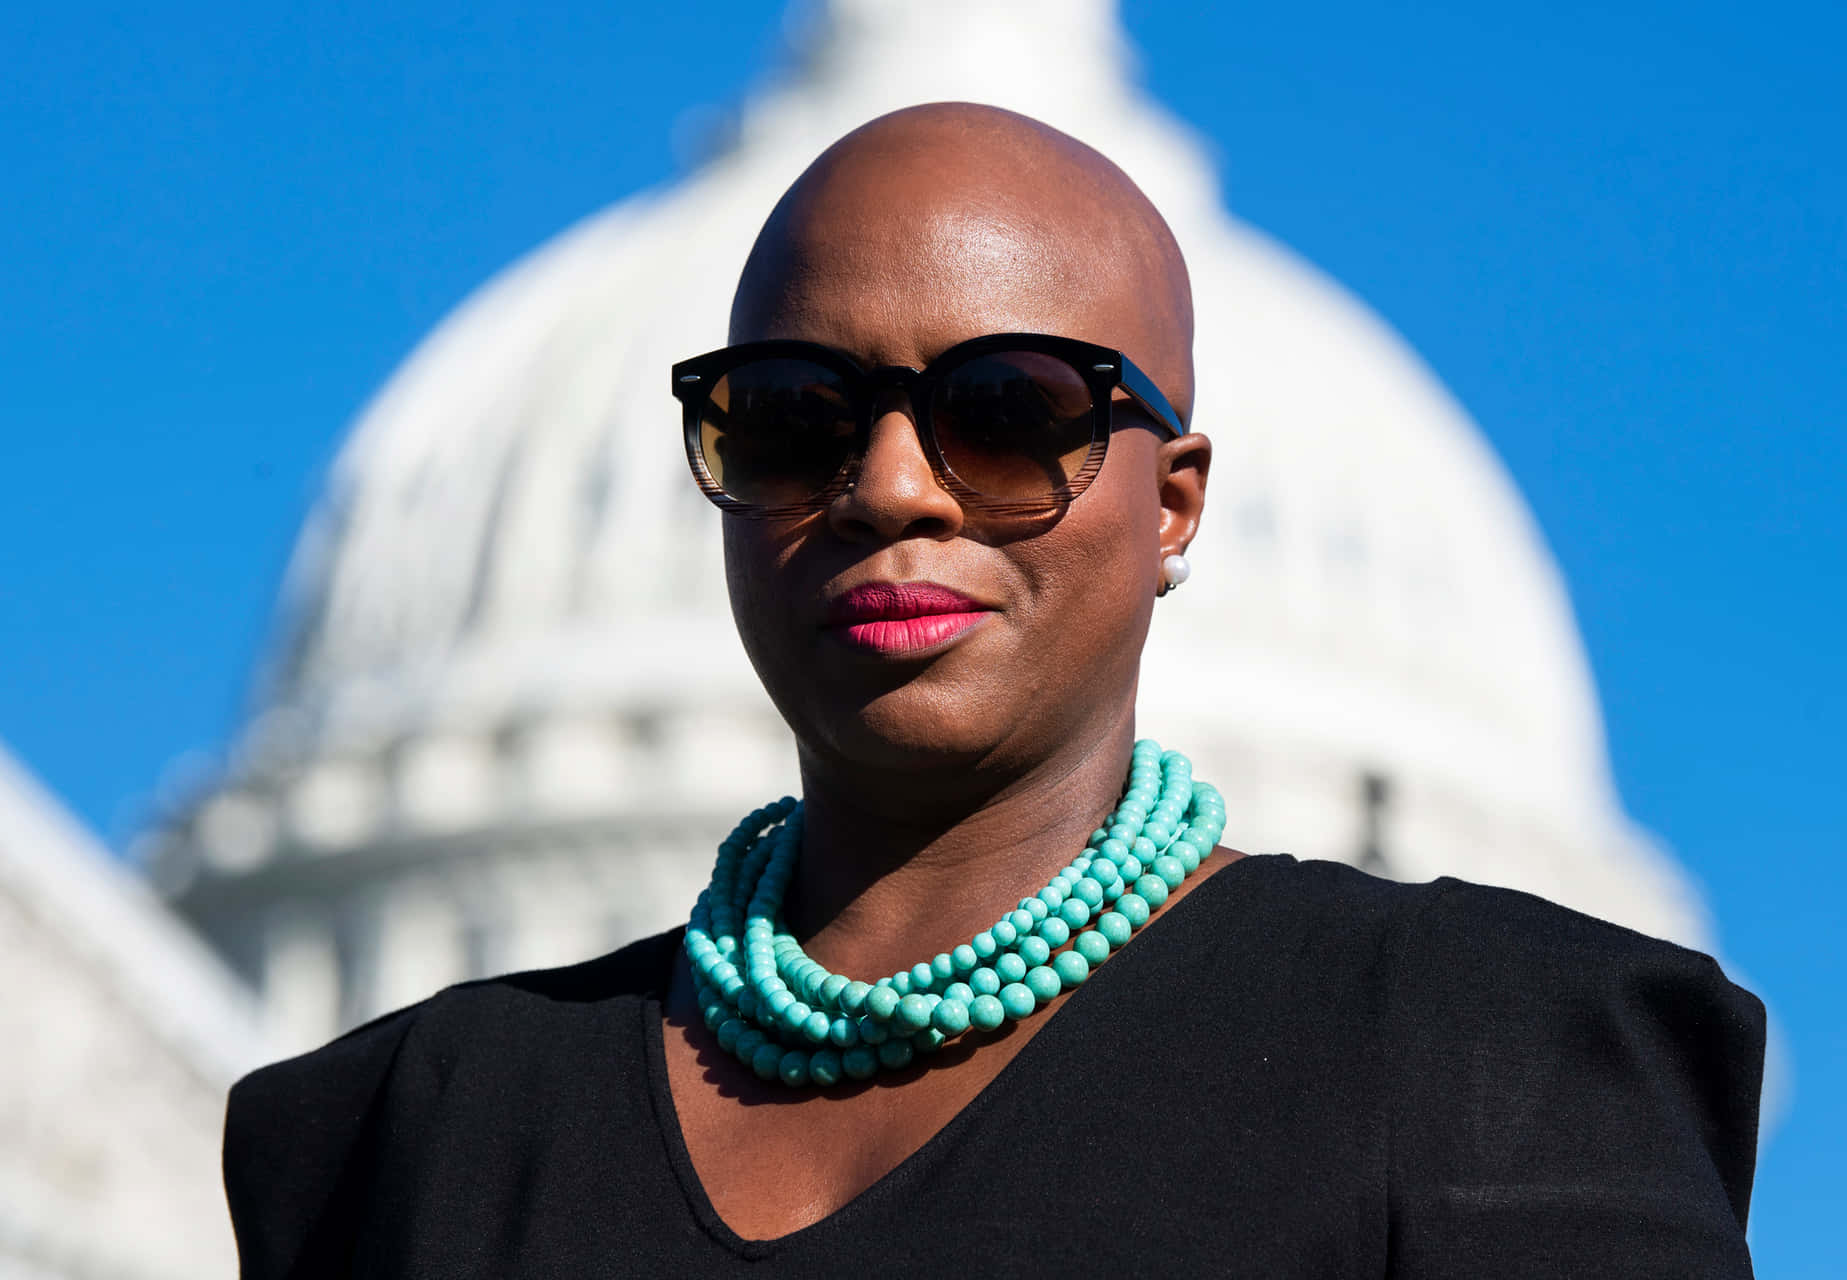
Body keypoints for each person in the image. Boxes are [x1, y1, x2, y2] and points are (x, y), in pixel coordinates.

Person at [223, 103, 1764, 1277]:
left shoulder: (1482, 1058)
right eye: (789, 418)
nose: (893, 486)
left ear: (1174, 504)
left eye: (1012, 413)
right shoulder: (402, 1136)